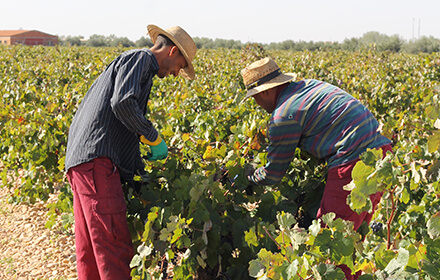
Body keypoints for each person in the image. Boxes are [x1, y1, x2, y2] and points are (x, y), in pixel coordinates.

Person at [240, 57, 392, 280]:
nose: (257, 104)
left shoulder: (283, 115)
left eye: (254, 98)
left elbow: (273, 175)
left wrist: (247, 176)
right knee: (351, 243)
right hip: (379, 155)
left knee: (329, 245)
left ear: (263, 92)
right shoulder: (309, 86)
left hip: (352, 164)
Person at [65, 25, 197, 280]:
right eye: (180, 66)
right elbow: (123, 103)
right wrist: (152, 136)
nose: (175, 73)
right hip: (97, 165)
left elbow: (120, 116)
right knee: (114, 247)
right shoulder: (141, 60)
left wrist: (138, 166)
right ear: (172, 51)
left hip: (82, 163)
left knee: (91, 250)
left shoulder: (130, 64)